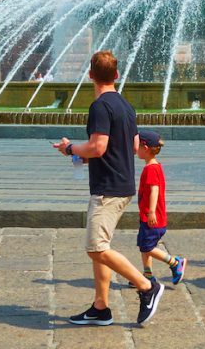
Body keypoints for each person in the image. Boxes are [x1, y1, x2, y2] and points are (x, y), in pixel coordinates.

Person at [53, 51, 164, 327]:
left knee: (95, 247)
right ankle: (101, 307)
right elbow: (130, 144)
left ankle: (146, 286)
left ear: (90, 75)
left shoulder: (100, 106)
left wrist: (70, 148)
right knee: (102, 246)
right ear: (116, 75)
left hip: (108, 188)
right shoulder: (126, 106)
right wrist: (79, 154)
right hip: (123, 183)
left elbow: (98, 147)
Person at [134, 130, 187, 286]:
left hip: (152, 218)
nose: (135, 148)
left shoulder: (151, 169)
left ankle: (175, 262)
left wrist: (151, 212)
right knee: (144, 246)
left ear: (145, 147)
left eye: (137, 145)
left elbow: (154, 189)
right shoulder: (155, 166)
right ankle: (147, 275)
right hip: (150, 217)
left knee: (147, 247)